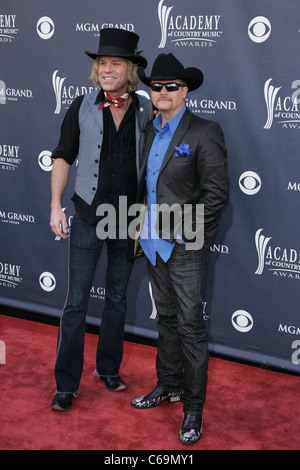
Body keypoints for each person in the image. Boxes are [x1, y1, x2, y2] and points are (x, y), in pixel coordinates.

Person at [50, 28, 153, 411]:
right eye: (102, 63)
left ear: (130, 69)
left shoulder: (146, 109)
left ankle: (108, 368)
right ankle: (66, 383)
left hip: (128, 219)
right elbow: (62, 155)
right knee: (76, 301)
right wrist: (55, 205)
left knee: (117, 298)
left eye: (116, 63)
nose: (108, 69)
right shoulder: (81, 105)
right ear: (97, 70)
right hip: (88, 215)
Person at [130, 53, 229, 444]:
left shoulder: (205, 131)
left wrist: (188, 234)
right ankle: (168, 385)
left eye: (171, 86)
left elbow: (217, 194)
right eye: (157, 86)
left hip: (185, 245)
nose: (163, 92)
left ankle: (193, 409)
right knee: (167, 319)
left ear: (184, 90)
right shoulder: (147, 128)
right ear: (150, 90)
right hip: (151, 242)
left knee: (189, 325)